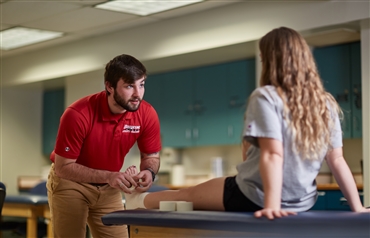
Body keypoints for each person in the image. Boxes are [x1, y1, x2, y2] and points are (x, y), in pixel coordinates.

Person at [124, 27, 370, 219]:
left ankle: (135, 200)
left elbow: (273, 155)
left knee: (187, 195)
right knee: (192, 193)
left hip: (253, 195)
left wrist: (272, 206)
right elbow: (336, 159)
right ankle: (138, 197)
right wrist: (357, 207)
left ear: (270, 61)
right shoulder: (325, 102)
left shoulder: (266, 96)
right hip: (304, 201)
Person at [46, 54, 162, 238]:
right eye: (129, 86)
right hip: (71, 182)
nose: (137, 94)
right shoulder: (78, 114)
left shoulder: (147, 113)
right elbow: (63, 167)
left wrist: (149, 172)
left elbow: (151, 156)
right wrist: (110, 176)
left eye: (141, 84)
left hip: (109, 187)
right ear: (109, 86)